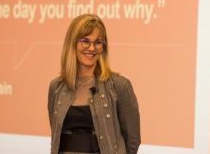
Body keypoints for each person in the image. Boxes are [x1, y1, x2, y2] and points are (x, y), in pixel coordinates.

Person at [47, 14, 141, 154]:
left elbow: (132, 140)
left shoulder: (120, 86)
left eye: (98, 42)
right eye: (85, 41)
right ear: (72, 44)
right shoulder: (56, 87)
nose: (92, 48)